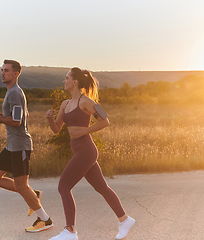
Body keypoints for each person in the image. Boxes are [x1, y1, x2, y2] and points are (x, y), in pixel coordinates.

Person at [46, 67, 135, 240]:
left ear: (75, 82)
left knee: (63, 187)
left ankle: (70, 231)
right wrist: (50, 118)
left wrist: (84, 131)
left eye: (66, 78)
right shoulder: (65, 104)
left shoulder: (86, 102)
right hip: (79, 151)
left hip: (86, 151)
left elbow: (105, 120)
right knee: (102, 187)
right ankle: (124, 220)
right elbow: (57, 129)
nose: (64, 81)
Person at [0, 59, 53, 233]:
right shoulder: (12, 92)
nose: (2, 73)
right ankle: (34, 195)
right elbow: (24, 117)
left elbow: (17, 122)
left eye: (6, 70)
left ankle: (45, 220)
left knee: (21, 185)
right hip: (12, 146)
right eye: (1, 70)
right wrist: (2, 116)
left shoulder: (15, 93)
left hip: (20, 146)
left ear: (16, 74)